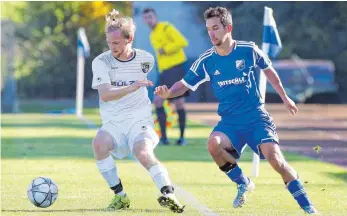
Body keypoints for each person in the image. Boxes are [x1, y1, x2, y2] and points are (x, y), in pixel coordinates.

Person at [155, 6, 318, 214]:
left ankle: (308, 207)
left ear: (228, 27)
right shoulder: (207, 60)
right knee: (213, 144)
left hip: (256, 117)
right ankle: (243, 182)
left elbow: (269, 70)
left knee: (276, 160)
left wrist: (285, 98)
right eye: (208, 29)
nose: (211, 33)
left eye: (215, 28)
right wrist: (168, 93)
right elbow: (184, 84)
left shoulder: (248, 50)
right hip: (230, 122)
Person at [91, 9, 184, 213]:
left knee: (142, 152)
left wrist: (161, 90)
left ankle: (169, 195)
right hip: (113, 122)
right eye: (109, 42)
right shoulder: (101, 62)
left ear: (129, 38)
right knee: (98, 144)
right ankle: (121, 196)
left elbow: (150, 77)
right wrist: (132, 86)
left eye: (116, 43)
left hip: (139, 120)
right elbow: (105, 94)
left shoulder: (145, 59)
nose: (111, 47)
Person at [142, 8, 189, 146]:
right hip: (165, 72)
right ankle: (163, 138)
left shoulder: (166, 27)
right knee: (157, 100)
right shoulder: (152, 35)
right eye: (145, 18)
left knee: (179, 103)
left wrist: (166, 49)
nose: (148, 20)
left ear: (155, 17)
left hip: (177, 68)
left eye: (150, 16)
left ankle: (181, 138)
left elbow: (183, 42)